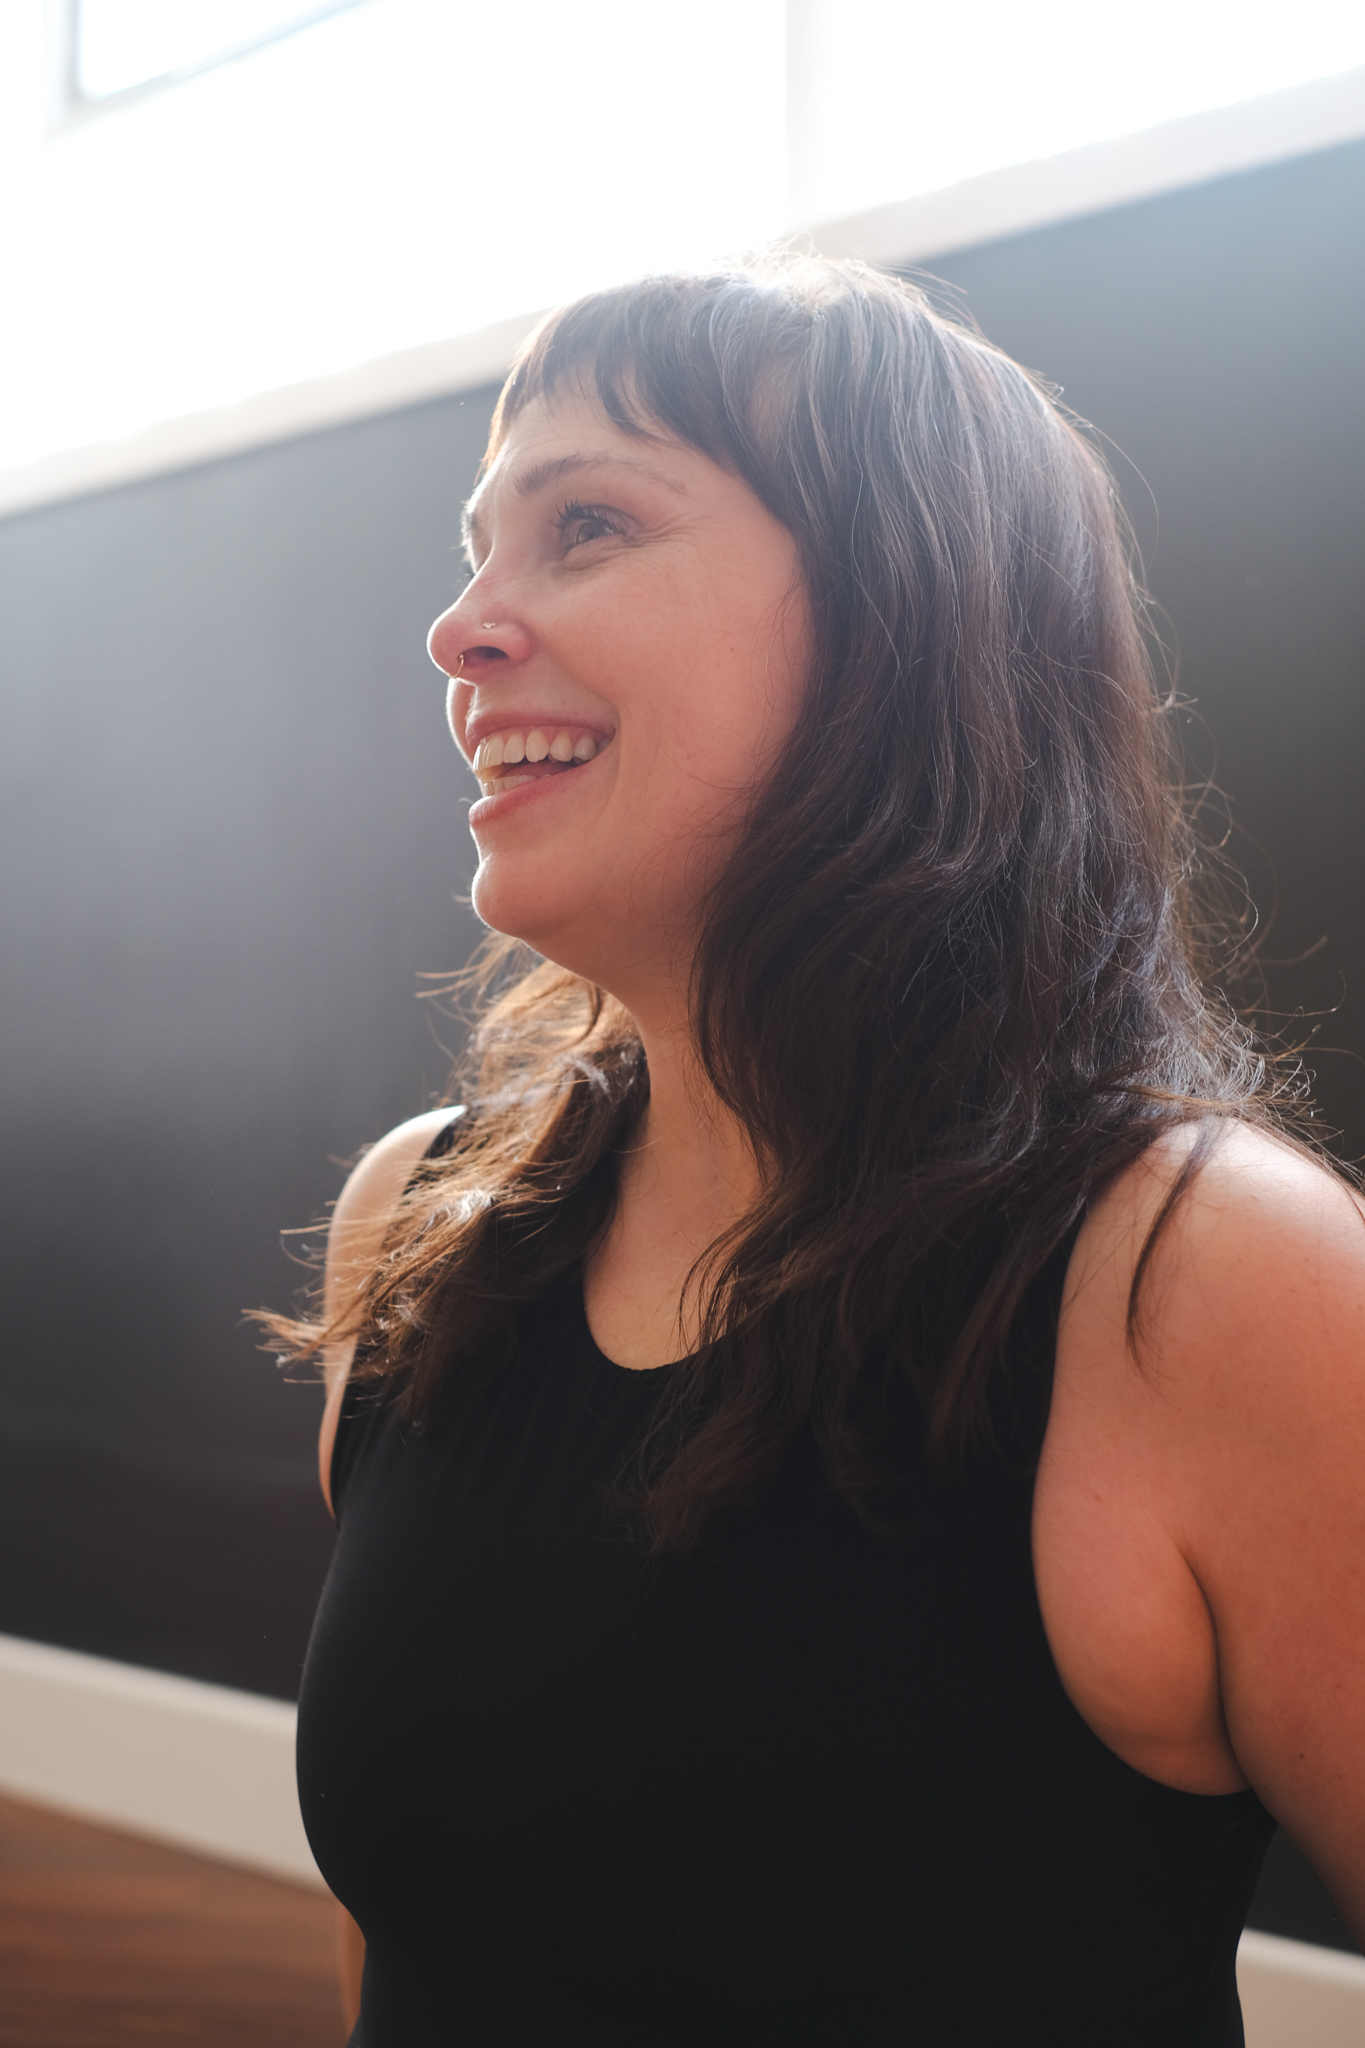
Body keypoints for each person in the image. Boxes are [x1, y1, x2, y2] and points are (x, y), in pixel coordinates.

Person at [281, 257, 1365, 2045]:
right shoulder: (420, 1223)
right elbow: (415, 1923)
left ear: (899, 622)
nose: (461, 625)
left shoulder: (1204, 1285)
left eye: (593, 524)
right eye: (479, 545)